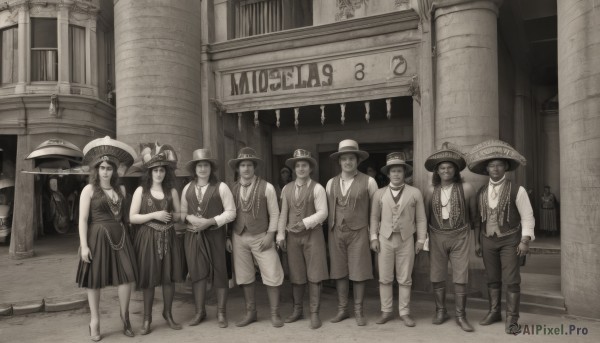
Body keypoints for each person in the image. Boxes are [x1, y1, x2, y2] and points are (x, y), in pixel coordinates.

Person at [467, 139, 535, 335]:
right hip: (488, 240)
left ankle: (512, 320)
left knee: (512, 279)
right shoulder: (481, 191)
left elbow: (528, 216)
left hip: (510, 240)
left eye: (499, 165)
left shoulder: (517, 190)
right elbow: (478, 220)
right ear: (486, 169)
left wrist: (525, 241)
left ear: (505, 167)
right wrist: (478, 242)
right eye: (491, 165)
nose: (495, 168)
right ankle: (494, 312)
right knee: (492, 278)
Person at [76, 136, 138, 341]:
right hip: (97, 237)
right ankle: (94, 320)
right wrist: (84, 245)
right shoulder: (89, 190)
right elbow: (83, 219)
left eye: (109, 168)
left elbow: (125, 216)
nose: (105, 171)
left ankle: (125, 317)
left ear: (114, 171)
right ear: (96, 170)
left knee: (127, 277)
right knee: (94, 280)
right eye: (102, 168)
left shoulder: (121, 189)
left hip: (120, 237)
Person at [129, 144, 185, 334]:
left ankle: (168, 314)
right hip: (147, 238)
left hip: (169, 237)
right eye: (155, 170)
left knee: (169, 279)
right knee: (150, 279)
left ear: (166, 172)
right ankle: (147, 319)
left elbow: (179, 215)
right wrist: (155, 215)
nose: (159, 173)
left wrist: (173, 216)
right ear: (150, 172)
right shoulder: (141, 192)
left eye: (162, 170)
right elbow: (132, 217)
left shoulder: (172, 192)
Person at [423, 142, 477, 332]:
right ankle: (440, 311)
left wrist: (475, 241)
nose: (446, 170)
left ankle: (461, 316)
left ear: (455, 170)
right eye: (442, 168)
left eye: (449, 167)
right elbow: (425, 217)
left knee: (461, 275)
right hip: (436, 236)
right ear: (437, 171)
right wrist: (425, 240)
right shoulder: (430, 191)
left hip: (460, 236)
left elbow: (474, 218)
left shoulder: (467, 188)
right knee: (437, 274)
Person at [228, 147, 284, 327]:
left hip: (262, 236)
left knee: (272, 273)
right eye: (242, 165)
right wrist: (228, 236)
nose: (246, 168)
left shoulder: (267, 187)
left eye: (249, 165)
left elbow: (275, 213)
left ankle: (275, 314)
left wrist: (270, 235)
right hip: (238, 235)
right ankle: (250, 313)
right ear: (238, 168)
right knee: (244, 276)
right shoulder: (232, 188)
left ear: (254, 167)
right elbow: (229, 213)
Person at [180, 148, 236, 328]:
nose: (202, 169)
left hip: (215, 234)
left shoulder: (221, 187)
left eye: (206, 165)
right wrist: (190, 218)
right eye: (199, 165)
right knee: (197, 273)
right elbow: (182, 212)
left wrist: (211, 221)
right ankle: (199, 311)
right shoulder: (187, 188)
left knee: (220, 272)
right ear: (194, 169)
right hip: (193, 236)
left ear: (211, 168)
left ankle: (221, 312)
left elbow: (231, 213)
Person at [370, 152, 426, 327]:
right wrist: (373, 237)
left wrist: (421, 240)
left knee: (405, 278)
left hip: (406, 239)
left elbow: (421, 218)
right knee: (385, 277)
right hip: (385, 238)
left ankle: (404, 312)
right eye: (393, 171)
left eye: (399, 171)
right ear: (388, 173)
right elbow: (373, 217)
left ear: (404, 173)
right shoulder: (379, 194)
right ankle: (386, 311)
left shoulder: (414, 192)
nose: (396, 174)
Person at [326, 139, 378, 326]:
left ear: (357, 161)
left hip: (359, 231)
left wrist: (373, 236)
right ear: (339, 162)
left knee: (359, 271)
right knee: (339, 271)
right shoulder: (330, 183)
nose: (348, 162)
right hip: (336, 231)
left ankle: (359, 311)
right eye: (344, 159)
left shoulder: (369, 182)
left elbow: (375, 211)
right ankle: (342, 310)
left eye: (351, 158)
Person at [276, 149, 328, 329]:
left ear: (310, 168)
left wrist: (305, 223)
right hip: (292, 237)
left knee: (314, 274)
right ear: (293, 169)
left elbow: (323, 213)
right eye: (297, 165)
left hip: (313, 235)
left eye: (304, 165)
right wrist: (280, 234)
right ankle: (298, 310)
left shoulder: (318, 188)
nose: (301, 168)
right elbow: (283, 213)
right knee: (296, 274)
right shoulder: (286, 188)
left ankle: (315, 313)